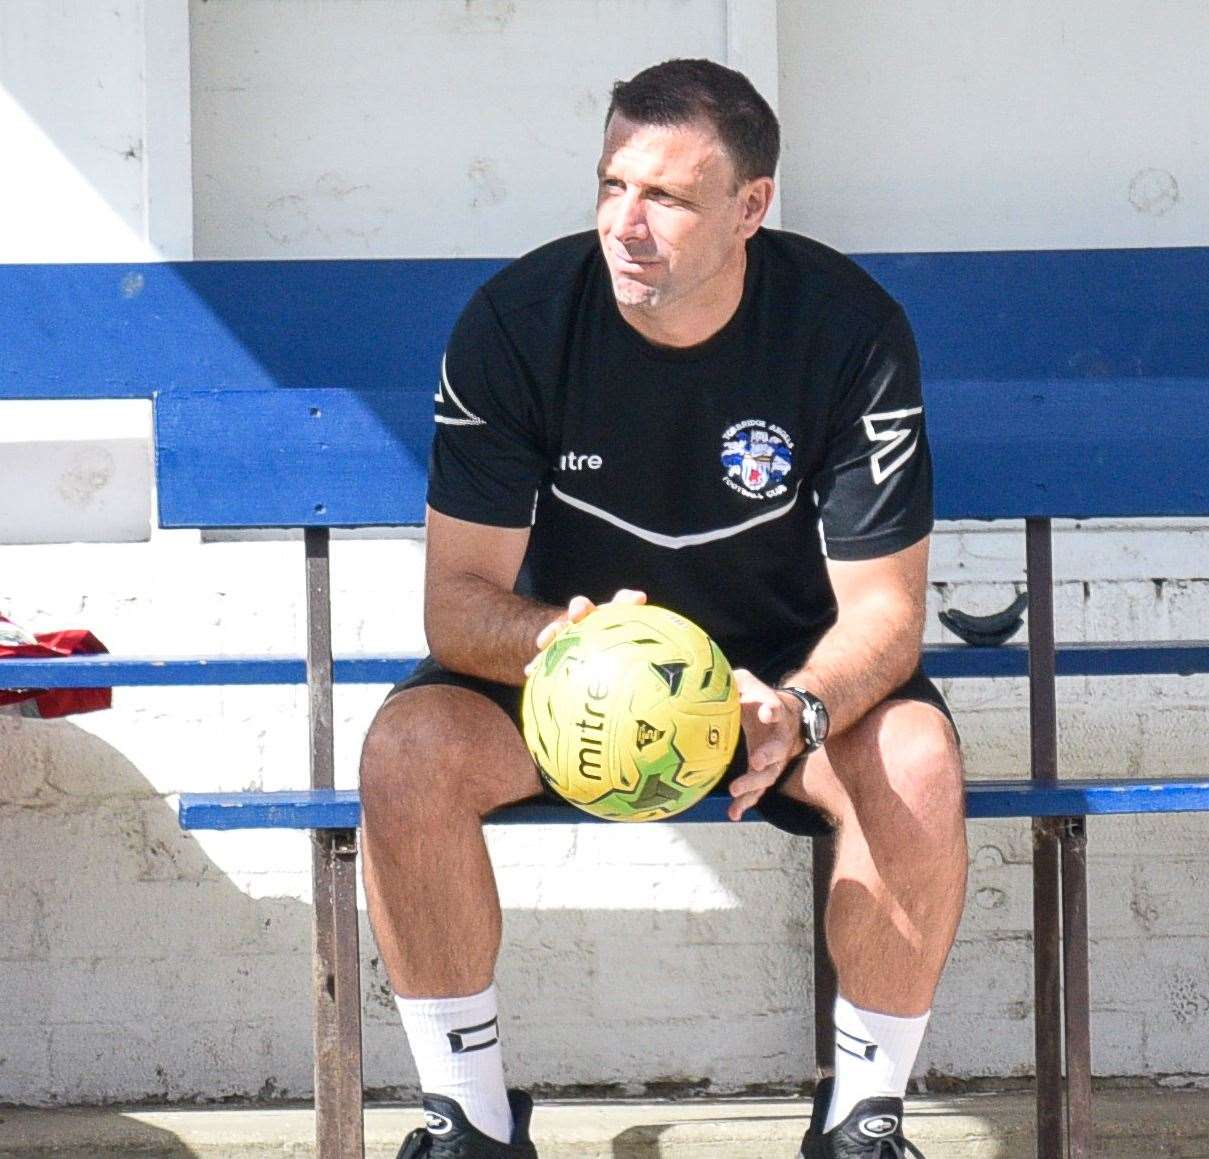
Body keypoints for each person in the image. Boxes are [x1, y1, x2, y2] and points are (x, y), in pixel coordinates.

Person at [361, 58, 967, 1159]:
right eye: (609, 185)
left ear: (749, 207)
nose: (624, 224)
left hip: (778, 687)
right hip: (574, 683)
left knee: (917, 757)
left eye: (666, 198)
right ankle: (470, 1123)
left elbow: (884, 611)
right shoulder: (516, 324)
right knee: (408, 753)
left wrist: (798, 707)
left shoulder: (847, 331)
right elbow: (457, 606)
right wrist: (573, 645)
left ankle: (861, 1123)